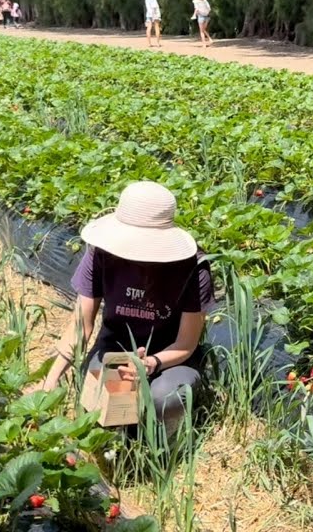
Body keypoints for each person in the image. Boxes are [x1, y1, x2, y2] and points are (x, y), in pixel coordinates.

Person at [38, 181, 212, 431]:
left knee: (162, 399)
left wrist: (151, 363)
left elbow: (186, 343)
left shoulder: (193, 268)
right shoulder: (102, 254)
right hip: (115, 351)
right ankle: (120, 441)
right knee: (107, 396)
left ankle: (162, 442)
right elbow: (81, 326)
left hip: (171, 359)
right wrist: (51, 379)